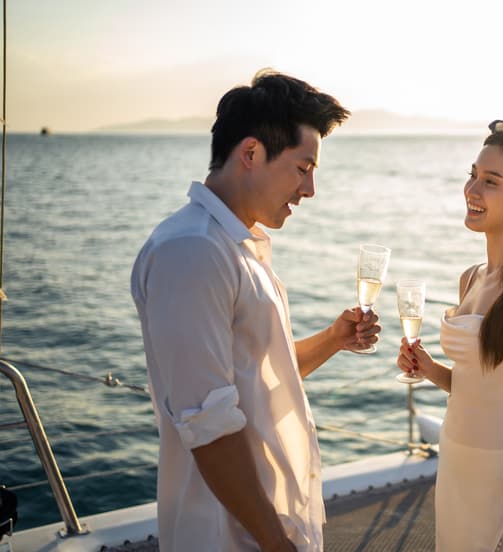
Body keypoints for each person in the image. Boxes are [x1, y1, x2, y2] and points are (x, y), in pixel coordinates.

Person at [131, 69, 379, 552]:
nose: (309, 190)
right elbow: (209, 425)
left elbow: (260, 377)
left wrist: (333, 339)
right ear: (250, 154)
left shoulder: (236, 246)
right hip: (231, 536)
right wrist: (276, 543)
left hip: (269, 526)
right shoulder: (193, 250)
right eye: (303, 168)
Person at [397, 120, 503, 551]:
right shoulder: (470, 278)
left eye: (491, 181)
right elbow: (476, 389)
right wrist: (431, 369)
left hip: (501, 485)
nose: (472, 189)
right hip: (455, 469)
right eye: (473, 175)